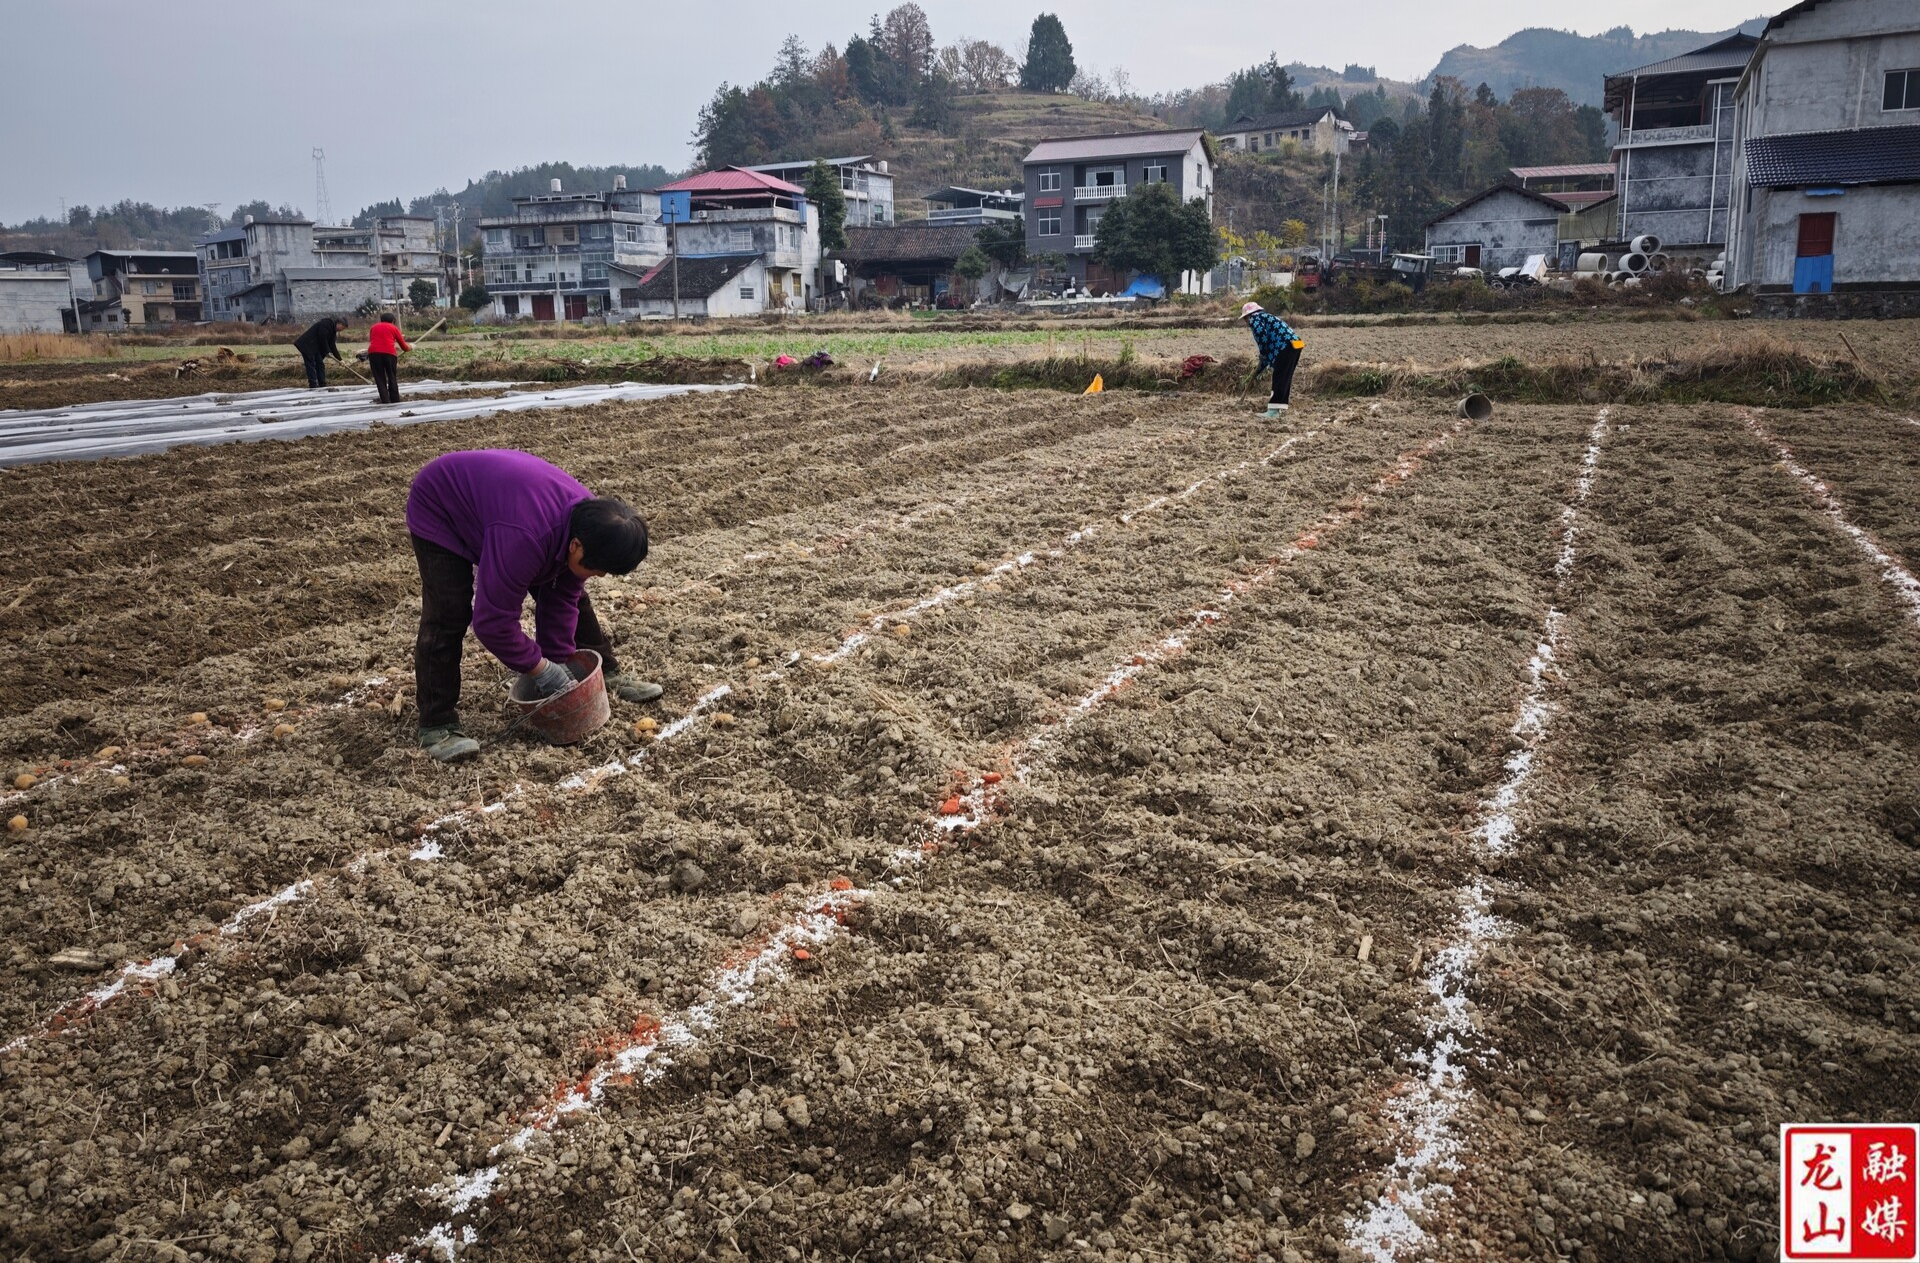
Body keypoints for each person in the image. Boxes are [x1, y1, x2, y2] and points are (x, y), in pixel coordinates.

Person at [404, 450, 665, 762]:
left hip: (506, 506)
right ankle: (437, 724)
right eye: (599, 569)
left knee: (572, 591)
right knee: (448, 613)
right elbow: (492, 622)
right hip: (441, 505)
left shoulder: (597, 524)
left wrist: (560, 667)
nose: (601, 575)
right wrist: (541, 669)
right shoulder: (524, 539)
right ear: (575, 545)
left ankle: (605, 671)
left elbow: (562, 599)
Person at [1240, 300, 1305, 420]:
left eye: (1245, 319)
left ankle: (1273, 411)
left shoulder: (1255, 318)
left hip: (1285, 347)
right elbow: (1266, 354)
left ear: (1248, 315)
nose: (1246, 322)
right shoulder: (1267, 318)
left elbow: (1261, 335)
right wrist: (1259, 369)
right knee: (1284, 377)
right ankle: (1279, 408)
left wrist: (1262, 352)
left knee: (1279, 377)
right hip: (1296, 344)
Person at [366, 311, 410, 404]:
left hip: (373, 354)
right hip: (389, 354)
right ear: (393, 321)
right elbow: (404, 347)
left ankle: (385, 400)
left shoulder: (374, 327)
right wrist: (410, 347)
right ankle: (395, 400)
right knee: (391, 376)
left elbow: (374, 340)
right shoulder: (394, 328)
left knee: (379, 378)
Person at [292, 317, 347, 388]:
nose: (342, 330)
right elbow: (322, 337)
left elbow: (332, 346)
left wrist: (340, 359)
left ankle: (322, 383)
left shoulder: (333, 332)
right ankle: (313, 384)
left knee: (320, 364)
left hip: (314, 348)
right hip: (307, 345)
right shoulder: (326, 324)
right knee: (311, 364)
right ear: (339, 324)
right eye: (343, 328)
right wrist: (327, 351)